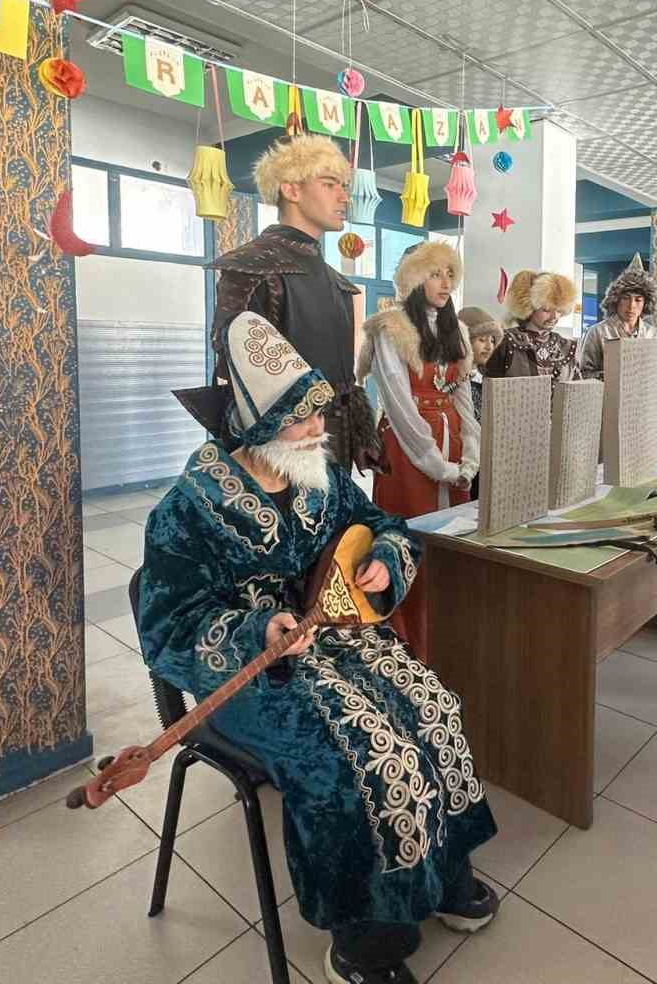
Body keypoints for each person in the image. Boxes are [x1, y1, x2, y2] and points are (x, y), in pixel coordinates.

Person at [138, 312, 499, 984]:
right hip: (249, 672)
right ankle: (363, 935)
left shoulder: (317, 475)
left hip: (330, 634)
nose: (317, 430)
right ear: (255, 425)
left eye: (316, 415)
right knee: (354, 754)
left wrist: (386, 559)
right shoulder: (186, 511)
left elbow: (379, 524)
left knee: (431, 706)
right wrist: (255, 632)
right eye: (300, 420)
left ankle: (443, 871)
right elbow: (168, 628)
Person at [208, 133, 380, 472]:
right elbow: (234, 377)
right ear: (292, 189)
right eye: (331, 184)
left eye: (343, 186)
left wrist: (358, 430)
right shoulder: (253, 268)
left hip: (335, 444)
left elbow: (342, 382)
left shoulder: (337, 282)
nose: (344, 197)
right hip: (282, 452)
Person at [355, 241, 477, 662]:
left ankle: (448, 634)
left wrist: (470, 454)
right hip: (409, 451)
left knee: (454, 541)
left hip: (453, 444)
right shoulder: (392, 329)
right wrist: (436, 465)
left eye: (449, 274)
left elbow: (462, 397)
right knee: (408, 537)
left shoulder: (456, 330)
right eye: (434, 273)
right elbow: (400, 405)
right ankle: (408, 640)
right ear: (413, 277)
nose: (445, 283)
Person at [576, 255, 657, 405]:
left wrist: (651, 383)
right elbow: (583, 373)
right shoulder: (598, 332)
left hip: (644, 408)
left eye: (638, 300)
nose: (631, 306)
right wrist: (617, 380)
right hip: (608, 406)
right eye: (626, 298)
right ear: (616, 300)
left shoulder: (654, 335)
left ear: (645, 303)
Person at [485, 270, 582, 383]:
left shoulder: (567, 346)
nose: (554, 316)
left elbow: (578, 388)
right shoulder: (505, 342)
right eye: (546, 310)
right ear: (530, 307)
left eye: (559, 310)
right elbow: (491, 390)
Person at [456, 306, 501, 419]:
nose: (489, 346)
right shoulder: (454, 380)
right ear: (465, 341)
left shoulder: (488, 378)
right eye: (482, 340)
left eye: (492, 340)